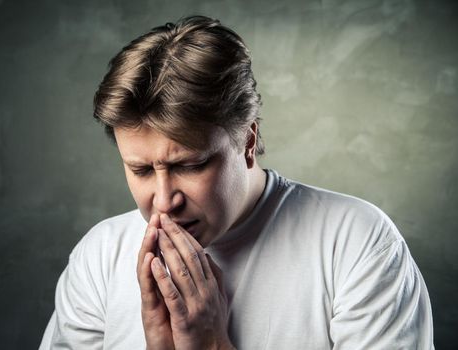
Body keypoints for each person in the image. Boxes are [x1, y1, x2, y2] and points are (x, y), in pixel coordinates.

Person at [39, 15, 434, 349]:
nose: (162, 202)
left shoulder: (356, 244)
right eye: (141, 170)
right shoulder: (99, 256)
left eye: (190, 165)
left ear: (247, 142)